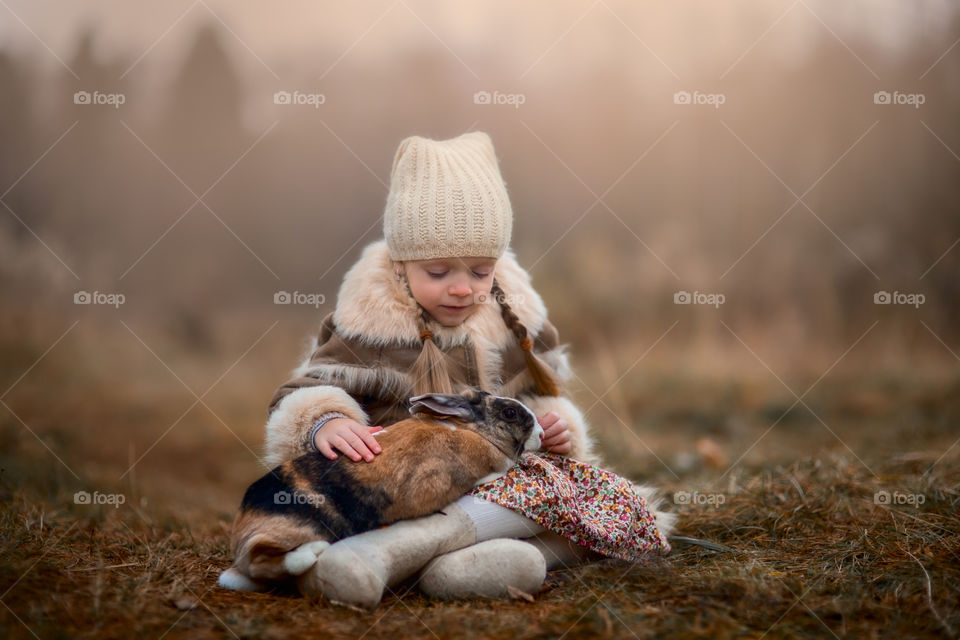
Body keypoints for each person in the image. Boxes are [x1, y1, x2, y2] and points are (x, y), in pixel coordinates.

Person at [262, 131, 674, 609]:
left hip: (486, 485)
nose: (463, 289)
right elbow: (302, 390)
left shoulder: (511, 320)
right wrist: (323, 421)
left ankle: (447, 562)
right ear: (401, 264)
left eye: (480, 271)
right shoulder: (366, 327)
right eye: (439, 273)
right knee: (326, 506)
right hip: (403, 490)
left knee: (598, 502)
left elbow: (535, 398)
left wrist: (552, 429)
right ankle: (407, 554)